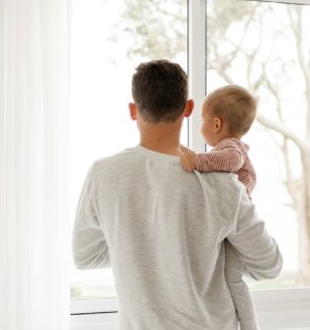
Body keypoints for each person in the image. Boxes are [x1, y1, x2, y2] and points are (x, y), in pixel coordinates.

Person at [72, 59, 282, 330]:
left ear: (133, 111)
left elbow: (85, 256)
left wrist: (140, 249)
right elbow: (269, 264)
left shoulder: (103, 174)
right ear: (189, 109)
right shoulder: (222, 183)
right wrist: (193, 252)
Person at [180, 85, 260, 330]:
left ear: (216, 124)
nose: (200, 124)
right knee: (226, 277)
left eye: (202, 119)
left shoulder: (231, 148)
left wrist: (196, 160)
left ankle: (249, 325)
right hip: (229, 224)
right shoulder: (227, 147)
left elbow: (228, 162)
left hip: (237, 224)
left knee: (233, 279)